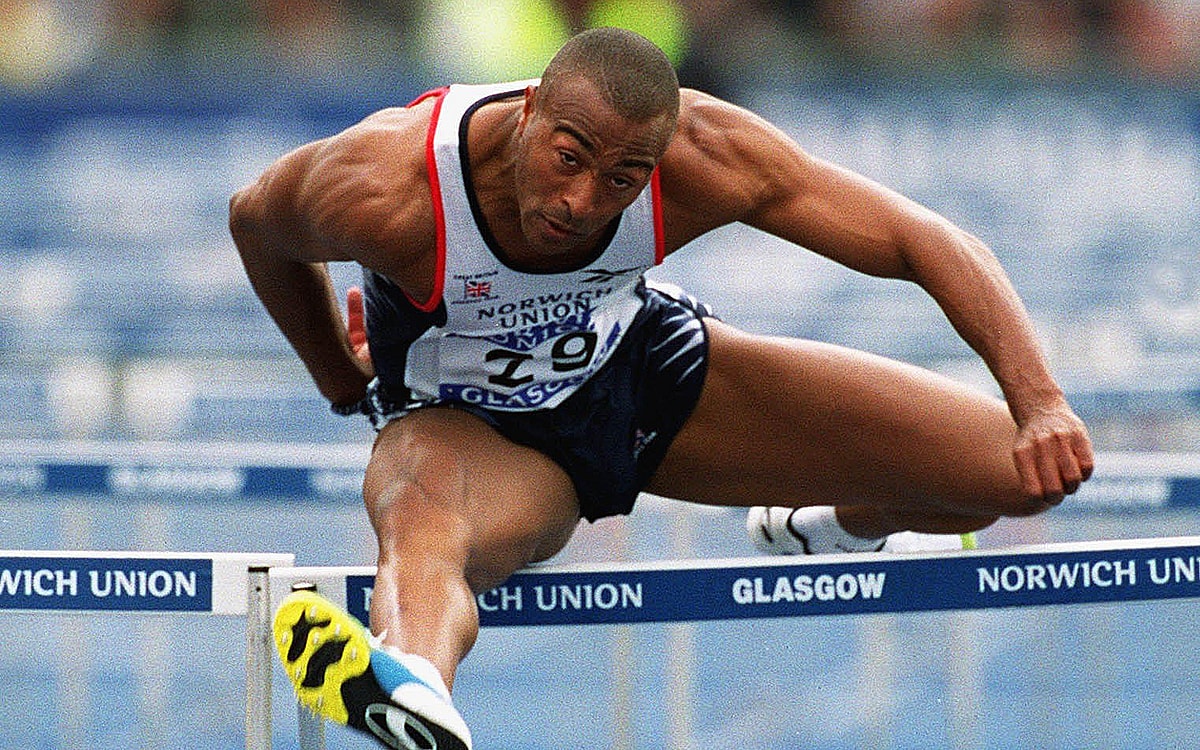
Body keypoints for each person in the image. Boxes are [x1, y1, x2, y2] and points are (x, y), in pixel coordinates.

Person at [228, 27, 1093, 750]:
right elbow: (255, 222)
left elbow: (922, 238)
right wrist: (343, 383)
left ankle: (831, 521)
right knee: (423, 514)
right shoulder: (387, 186)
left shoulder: (702, 155)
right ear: (529, 113)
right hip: (477, 434)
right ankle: (412, 680)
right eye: (567, 160)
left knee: (1009, 474)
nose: (581, 201)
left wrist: (1041, 401)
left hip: (642, 375)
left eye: (621, 181)